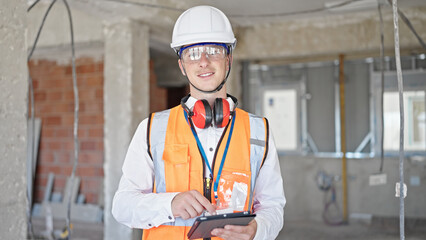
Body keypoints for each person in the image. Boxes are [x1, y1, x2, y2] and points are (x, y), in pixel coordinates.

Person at [112, 5, 286, 240]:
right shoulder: (152, 130)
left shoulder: (259, 131)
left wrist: (258, 229)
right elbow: (122, 206)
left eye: (213, 50)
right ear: (182, 65)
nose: (203, 61)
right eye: (192, 53)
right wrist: (169, 203)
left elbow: (273, 205)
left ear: (229, 59)